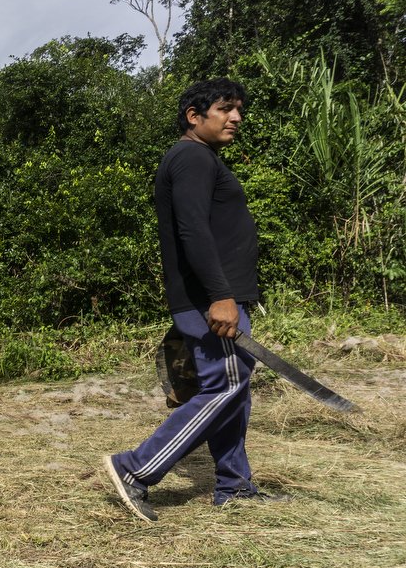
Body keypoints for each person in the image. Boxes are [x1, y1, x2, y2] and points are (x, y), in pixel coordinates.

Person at [103, 78, 287, 522]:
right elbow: (192, 230)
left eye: (238, 109)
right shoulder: (190, 157)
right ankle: (134, 469)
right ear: (194, 116)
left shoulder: (198, 159)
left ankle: (234, 485)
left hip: (217, 300)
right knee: (223, 386)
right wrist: (220, 297)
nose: (236, 118)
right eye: (225, 109)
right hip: (210, 302)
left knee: (234, 391)